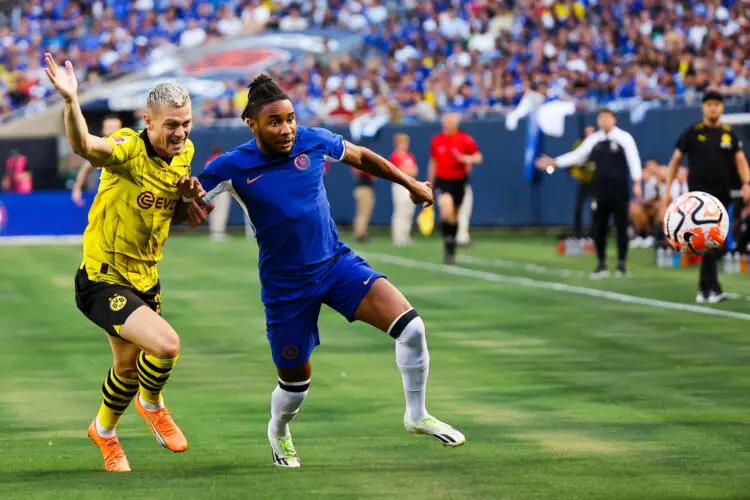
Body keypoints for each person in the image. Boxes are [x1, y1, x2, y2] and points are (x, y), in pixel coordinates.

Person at [187, 74, 465, 468]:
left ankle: (416, 414)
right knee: (295, 387)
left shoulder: (312, 140)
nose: (286, 129)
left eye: (290, 118)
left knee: (412, 328)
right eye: (275, 122)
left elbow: (363, 156)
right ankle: (279, 431)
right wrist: (189, 206)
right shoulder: (231, 165)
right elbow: (190, 208)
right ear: (253, 124)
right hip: (286, 288)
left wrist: (409, 182)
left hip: (336, 264)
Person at [44, 53, 208, 472]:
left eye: (185, 122)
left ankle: (105, 432)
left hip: (145, 278)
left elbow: (168, 211)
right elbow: (85, 146)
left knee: (126, 368)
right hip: (102, 278)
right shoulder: (127, 149)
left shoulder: (185, 153)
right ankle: (153, 405)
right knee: (166, 346)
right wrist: (70, 100)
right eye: (171, 124)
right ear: (148, 121)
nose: (180, 131)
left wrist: (187, 202)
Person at [664, 91, 750, 303]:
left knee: (715, 244)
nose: (713, 108)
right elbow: (676, 159)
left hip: (723, 196)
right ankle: (706, 290)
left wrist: (747, 183)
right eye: (709, 104)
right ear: (703, 107)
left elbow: (740, 161)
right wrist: (668, 188)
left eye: (717, 104)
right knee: (709, 242)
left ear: (722, 108)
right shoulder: (693, 132)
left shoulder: (729, 134)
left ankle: (711, 288)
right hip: (699, 201)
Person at [536, 109, 643, 278]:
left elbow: (633, 159)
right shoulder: (594, 140)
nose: (604, 121)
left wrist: (637, 182)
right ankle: (601, 264)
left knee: (622, 227)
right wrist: (555, 162)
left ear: (614, 119)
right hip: (600, 189)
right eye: (601, 118)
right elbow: (577, 156)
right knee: (599, 227)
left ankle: (622, 264)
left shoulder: (624, 138)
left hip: (620, 189)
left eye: (607, 118)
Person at [428, 113, 482, 264]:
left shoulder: (465, 139)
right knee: (446, 208)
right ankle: (447, 244)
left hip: (459, 181)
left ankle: (450, 246)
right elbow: (433, 163)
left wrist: (467, 159)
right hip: (443, 181)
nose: (450, 123)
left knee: (455, 216)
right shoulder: (437, 140)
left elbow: (478, 157)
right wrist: (430, 183)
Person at [206, 145, 256, 242]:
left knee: (213, 211)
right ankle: (218, 233)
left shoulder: (209, 161)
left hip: (211, 189)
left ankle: (214, 232)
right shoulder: (220, 160)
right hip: (220, 189)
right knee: (221, 210)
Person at [71, 115, 123, 206]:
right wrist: (77, 189)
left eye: (115, 128)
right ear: (103, 130)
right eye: (109, 127)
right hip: (104, 200)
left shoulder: (128, 148)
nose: (112, 131)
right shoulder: (99, 149)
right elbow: (86, 168)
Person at [390, 133, 418, 246]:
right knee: (400, 210)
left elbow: (415, 171)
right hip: (399, 186)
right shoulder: (395, 156)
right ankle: (398, 236)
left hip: (409, 185)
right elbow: (398, 171)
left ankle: (406, 235)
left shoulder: (409, 156)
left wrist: (407, 171)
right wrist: (407, 171)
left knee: (409, 211)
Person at [629, 159, 665, 248]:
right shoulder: (649, 181)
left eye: (651, 165)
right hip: (651, 206)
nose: (649, 168)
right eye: (647, 165)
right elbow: (651, 197)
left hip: (666, 206)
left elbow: (662, 197)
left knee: (660, 208)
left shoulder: (664, 173)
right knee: (634, 207)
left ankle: (657, 237)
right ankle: (643, 236)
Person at [569, 126, 596, 239]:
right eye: (587, 132)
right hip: (584, 182)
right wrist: (578, 175)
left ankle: (595, 234)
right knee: (578, 208)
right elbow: (571, 162)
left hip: (596, 183)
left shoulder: (598, 145)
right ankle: (578, 234)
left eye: (592, 133)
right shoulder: (579, 145)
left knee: (595, 208)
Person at [352, 166, 375, 242]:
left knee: (363, 213)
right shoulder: (360, 163)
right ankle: (360, 234)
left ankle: (360, 232)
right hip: (364, 189)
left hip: (363, 188)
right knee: (364, 213)